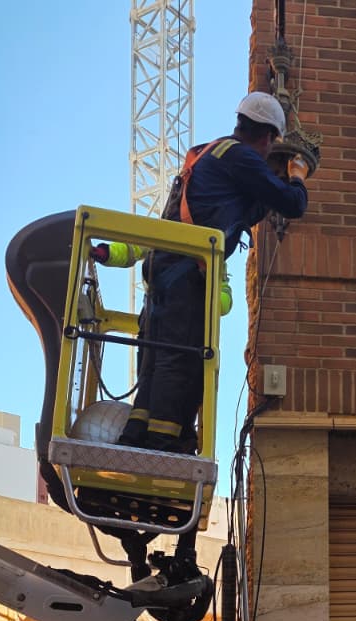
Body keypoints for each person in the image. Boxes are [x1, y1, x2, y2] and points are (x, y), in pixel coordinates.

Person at [93, 90, 310, 458]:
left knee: (155, 362)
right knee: (182, 365)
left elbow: (240, 211)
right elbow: (293, 204)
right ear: (268, 136)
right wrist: (297, 176)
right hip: (186, 279)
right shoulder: (241, 157)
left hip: (164, 275)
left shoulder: (210, 154)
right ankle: (163, 443)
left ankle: (136, 435)